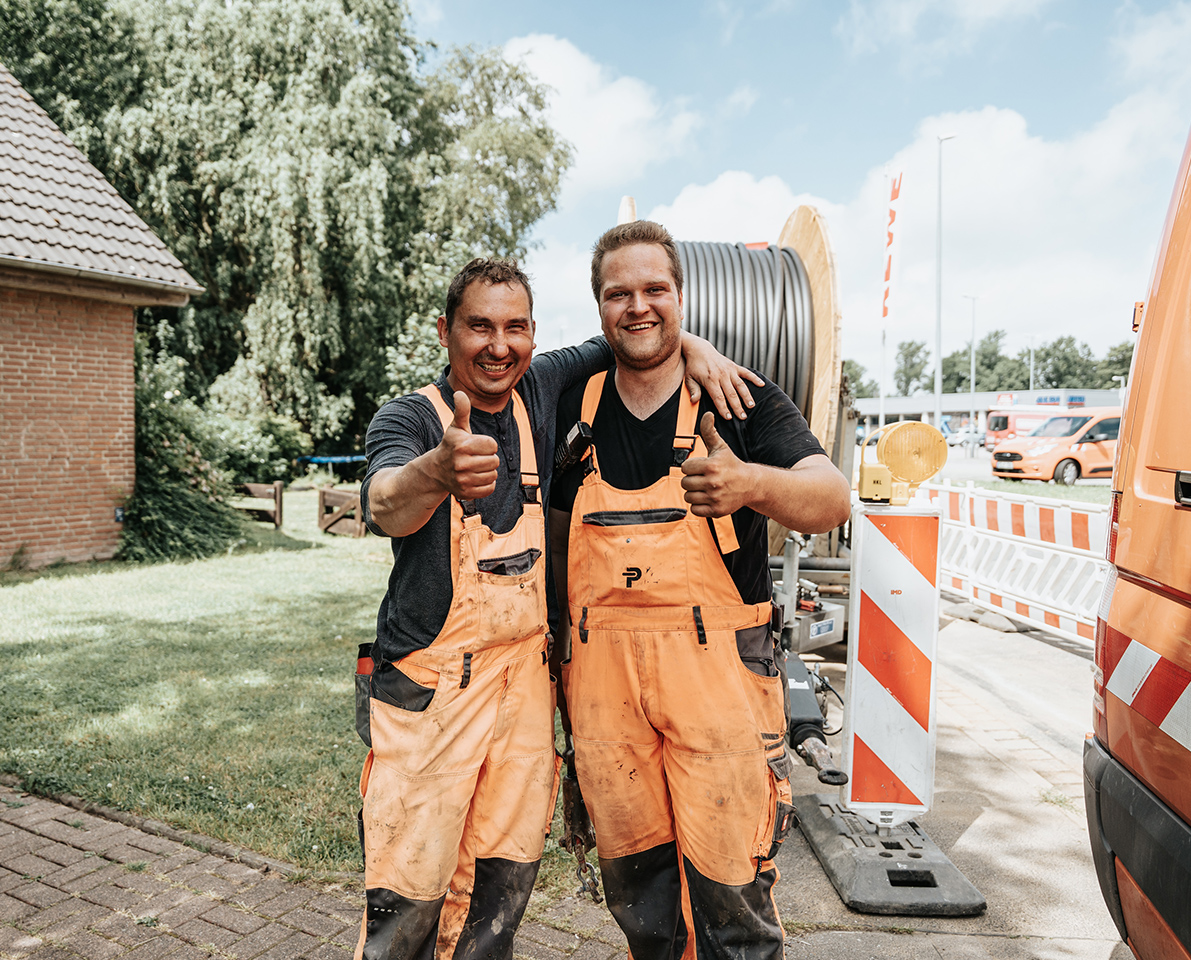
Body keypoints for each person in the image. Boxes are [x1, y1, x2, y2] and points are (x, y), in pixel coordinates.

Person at [355, 257, 757, 960]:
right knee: (411, 901)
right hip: (432, 700)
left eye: (515, 328)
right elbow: (386, 502)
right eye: (478, 326)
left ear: (534, 337)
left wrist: (697, 348)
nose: (497, 345)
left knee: (496, 895)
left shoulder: (538, 390)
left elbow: (631, 332)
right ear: (445, 331)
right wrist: (435, 471)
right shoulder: (409, 419)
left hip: (523, 696)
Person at [549, 222, 851, 960]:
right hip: (603, 698)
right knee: (642, 902)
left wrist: (750, 483)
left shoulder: (736, 397)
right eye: (619, 293)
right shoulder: (572, 407)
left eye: (655, 289)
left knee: (731, 903)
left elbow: (832, 496)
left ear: (681, 296)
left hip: (718, 693)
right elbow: (556, 537)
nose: (639, 306)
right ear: (599, 309)